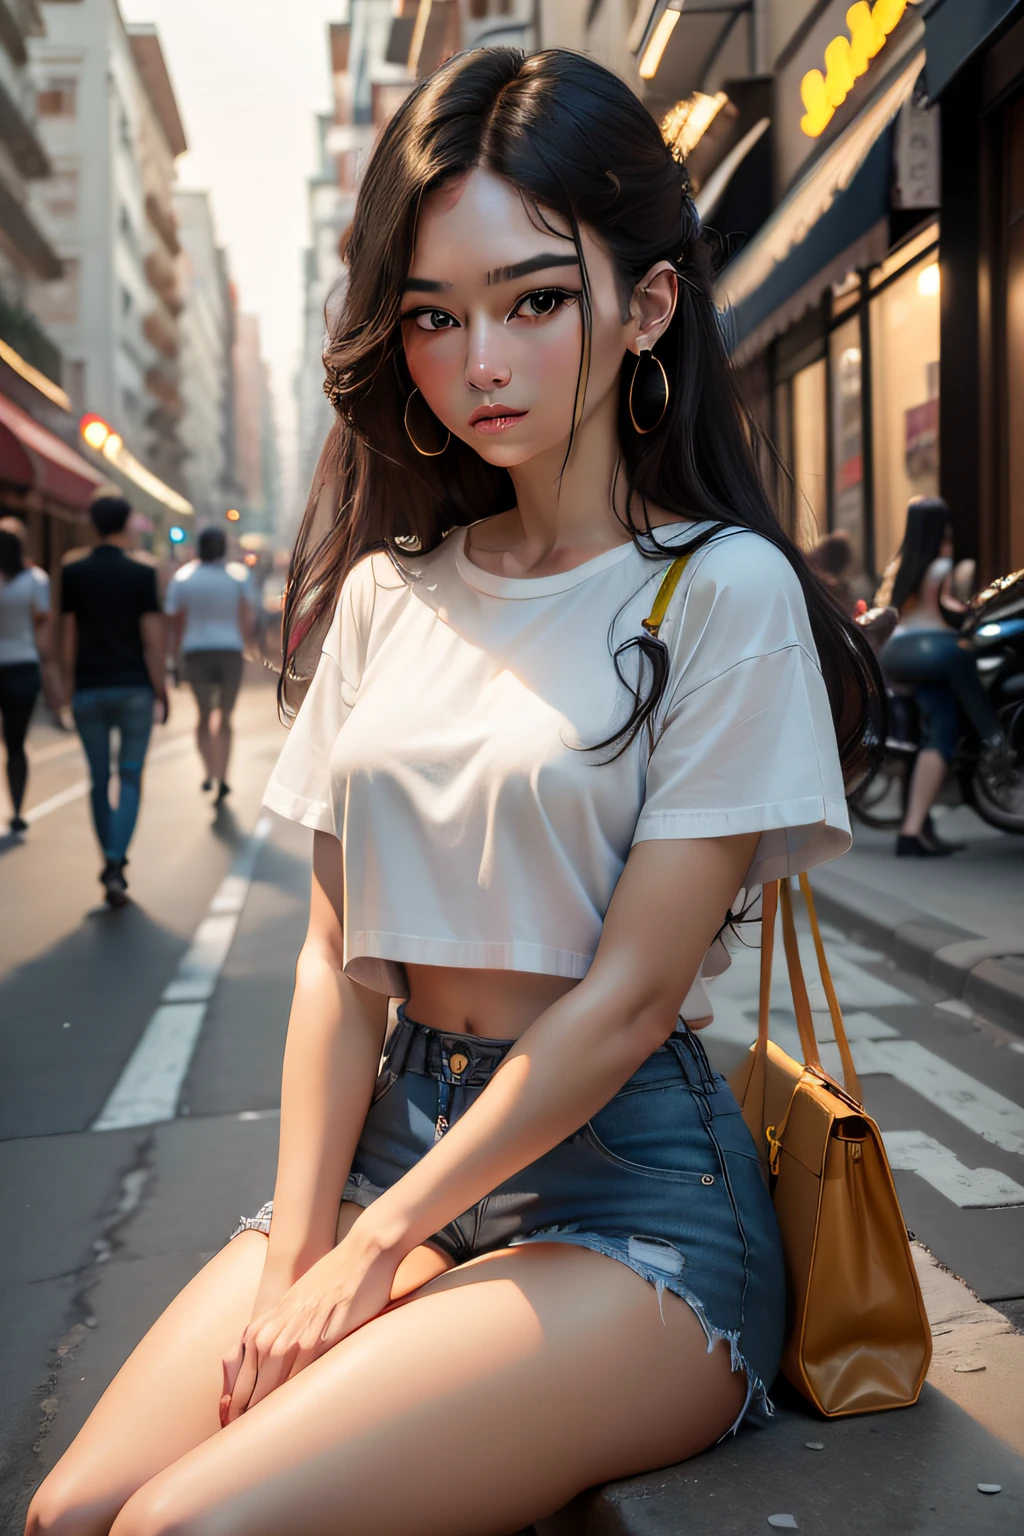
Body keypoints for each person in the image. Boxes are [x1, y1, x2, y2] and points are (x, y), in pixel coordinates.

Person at [26, 49, 880, 1536]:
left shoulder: (719, 592)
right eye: (435, 315)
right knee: (74, 1511)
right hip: (384, 1159)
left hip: (631, 1201)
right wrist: (308, 1246)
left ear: (647, 307)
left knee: (190, 1529)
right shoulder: (384, 597)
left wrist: (381, 1250)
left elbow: (625, 1002)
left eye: (534, 300)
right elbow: (334, 966)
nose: (481, 360)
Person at [880, 496, 1011, 857]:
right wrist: (971, 610)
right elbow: (946, 609)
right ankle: (994, 738)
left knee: (940, 731)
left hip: (901, 652)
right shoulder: (938, 566)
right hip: (930, 651)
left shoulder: (902, 563)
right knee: (961, 660)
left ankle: (917, 830)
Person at [60, 495, 167, 906]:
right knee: (131, 775)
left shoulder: (73, 571)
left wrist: (65, 684)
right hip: (134, 687)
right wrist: (160, 686)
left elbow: (68, 633)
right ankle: (115, 861)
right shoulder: (142, 572)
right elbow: (152, 638)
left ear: (92, 524)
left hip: (88, 687)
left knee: (98, 778)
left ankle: (109, 856)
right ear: (128, 524)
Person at [166, 527, 255, 804]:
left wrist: (174, 657)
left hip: (195, 652)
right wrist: (248, 647)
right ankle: (224, 776)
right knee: (226, 717)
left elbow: (174, 621)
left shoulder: (183, 578)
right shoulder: (237, 577)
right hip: (230, 651)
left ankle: (209, 772)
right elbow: (247, 616)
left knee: (203, 715)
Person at [0, 519, 58, 833]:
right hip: (23, 664)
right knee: (16, 743)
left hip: (19, 664)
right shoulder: (36, 579)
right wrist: (51, 673)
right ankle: (18, 807)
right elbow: (42, 628)